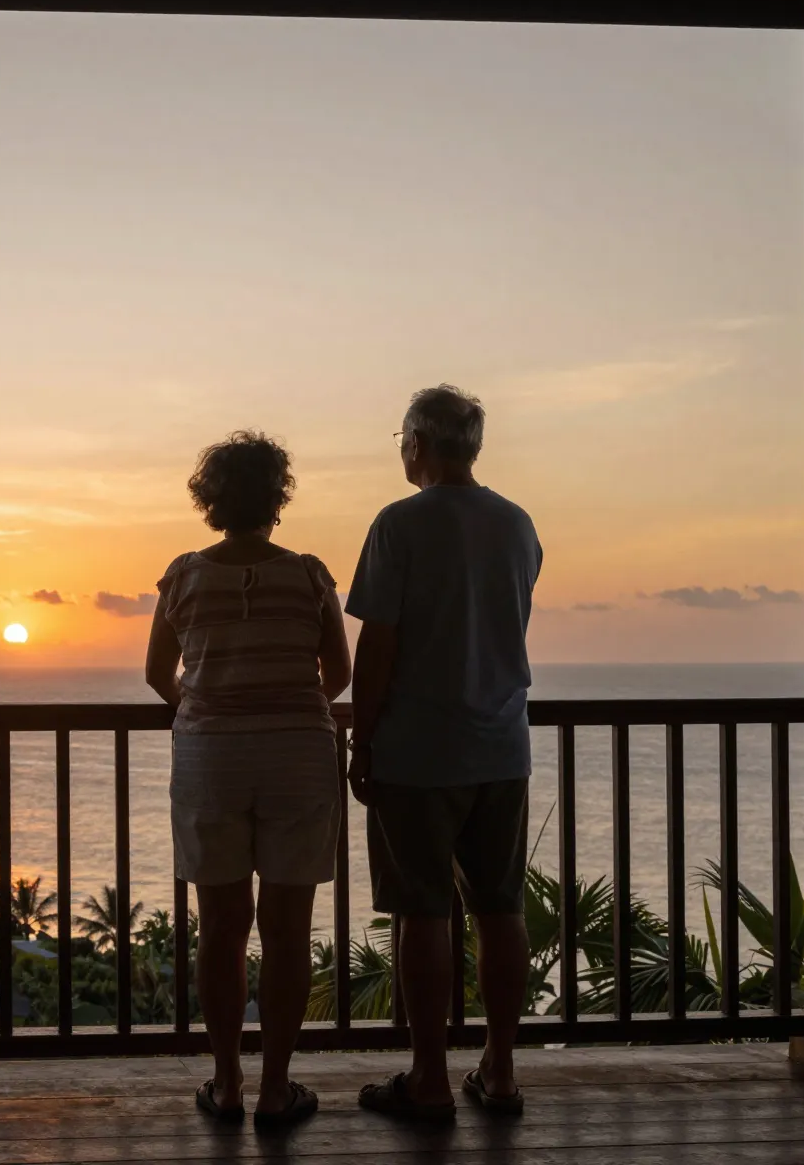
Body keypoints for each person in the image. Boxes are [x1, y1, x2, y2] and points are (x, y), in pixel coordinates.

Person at [345, 385, 541, 1122]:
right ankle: (500, 1071)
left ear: (419, 444)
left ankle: (429, 1079)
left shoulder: (399, 525)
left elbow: (380, 643)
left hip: (418, 752)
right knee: (501, 909)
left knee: (422, 912)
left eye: (401, 437)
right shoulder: (517, 525)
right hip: (501, 745)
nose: (400, 448)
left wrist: (363, 740)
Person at [147, 430, 351, 1133]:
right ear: (277, 497)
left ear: (211, 500)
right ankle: (275, 1088)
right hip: (299, 755)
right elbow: (341, 674)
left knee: (222, 930)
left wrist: (206, 706)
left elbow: (156, 675)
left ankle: (227, 1082)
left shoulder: (184, 575)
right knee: (287, 932)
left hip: (212, 759)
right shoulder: (308, 574)